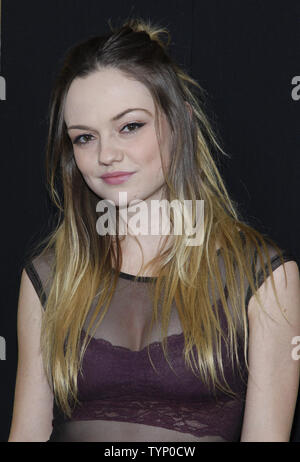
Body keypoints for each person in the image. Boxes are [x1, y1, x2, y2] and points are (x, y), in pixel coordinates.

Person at [8, 17, 300, 442]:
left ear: (179, 122)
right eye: (85, 137)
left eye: (130, 126)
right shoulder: (50, 278)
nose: (107, 154)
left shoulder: (264, 278)